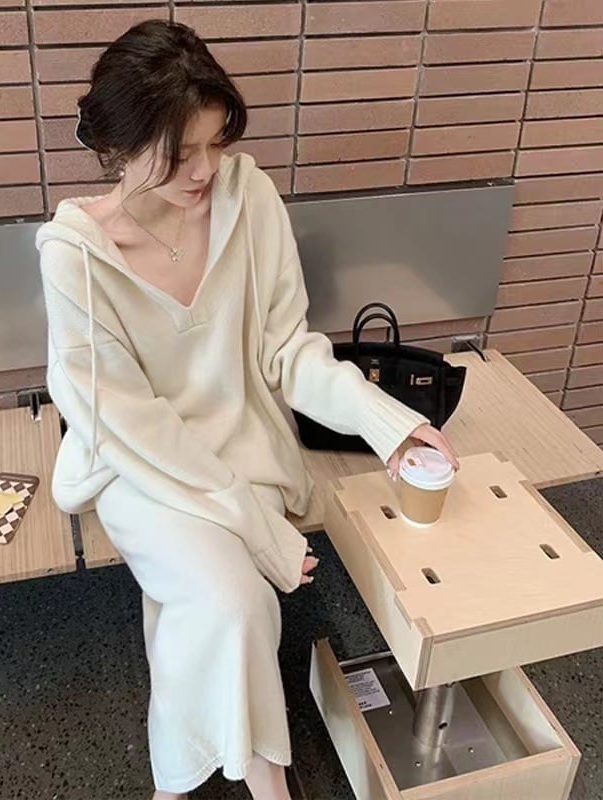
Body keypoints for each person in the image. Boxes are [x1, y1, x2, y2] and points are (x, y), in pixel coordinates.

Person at [35, 19, 458, 800]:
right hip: (139, 469)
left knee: (214, 605)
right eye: (180, 152)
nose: (206, 170)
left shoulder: (248, 196)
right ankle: (266, 779)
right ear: (117, 146)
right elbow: (131, 424)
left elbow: (289, 351)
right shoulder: (74, 258)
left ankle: (184, 781)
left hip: (244, 448)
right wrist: (253, 525)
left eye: (216, 142)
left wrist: (391, 426)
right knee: (234, 600)